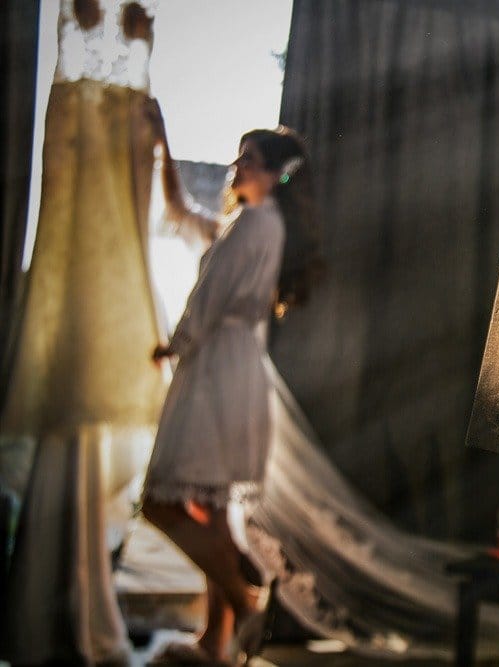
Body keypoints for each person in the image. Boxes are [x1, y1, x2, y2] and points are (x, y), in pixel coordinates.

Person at [139, 100, 322, 665]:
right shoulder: (261, 224)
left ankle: (244, 608)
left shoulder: (254, 222)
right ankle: (215, 643)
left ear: (273, 174)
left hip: (218, 371)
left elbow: (209, 297)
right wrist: (162, 143)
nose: (235, 166)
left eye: (248, 159)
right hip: (236, 370)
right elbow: (185, 215)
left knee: (160, 503)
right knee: (214, 512)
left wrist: (174, 342)